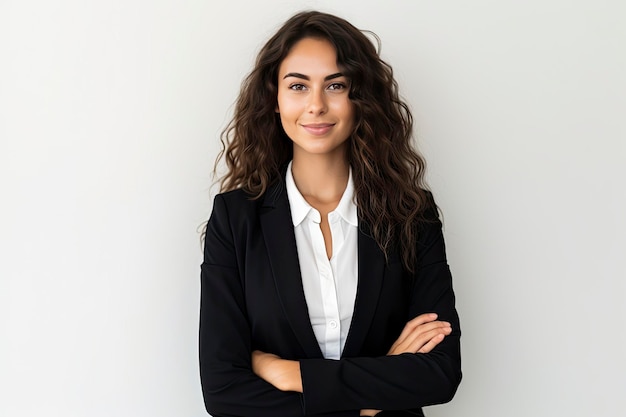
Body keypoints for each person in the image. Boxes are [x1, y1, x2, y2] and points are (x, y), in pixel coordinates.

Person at [199, 10, 461, 417]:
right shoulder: (235, 220)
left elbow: (440, 373)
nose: (316, 105)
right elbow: (223, 391)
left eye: (335, 85)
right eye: (298, 86)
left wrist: (291, 375)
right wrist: (371, 398)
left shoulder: (411, 214)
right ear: (275, 98)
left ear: (361, 99)